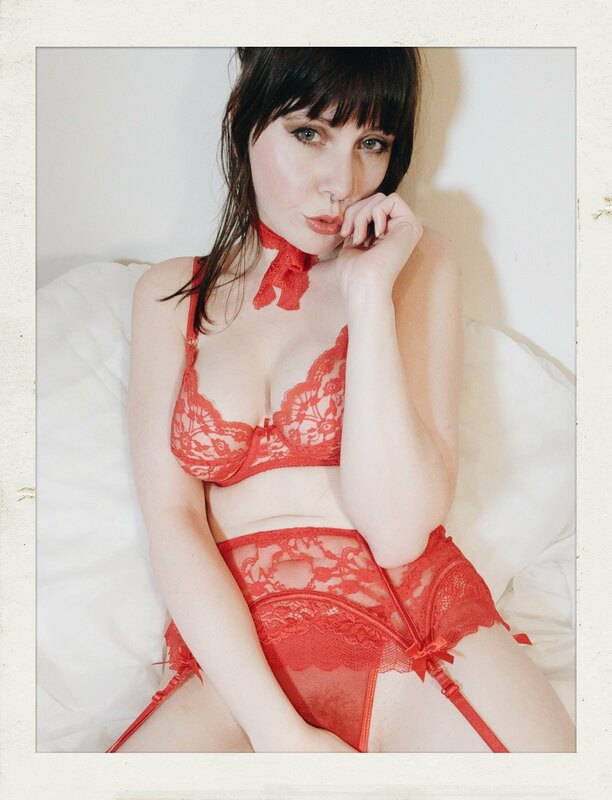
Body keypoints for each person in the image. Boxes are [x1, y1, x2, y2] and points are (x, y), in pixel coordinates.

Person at [107, 47, 575, 753]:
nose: (342, 183)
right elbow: (174, 524)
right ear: (242, 121)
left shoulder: (415, 261)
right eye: (309, 133)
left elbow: (397, 532)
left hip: (414, 629)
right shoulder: (171, 296)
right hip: (235, 667)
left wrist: (368, 293)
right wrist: (280, 735)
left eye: (373, 143)